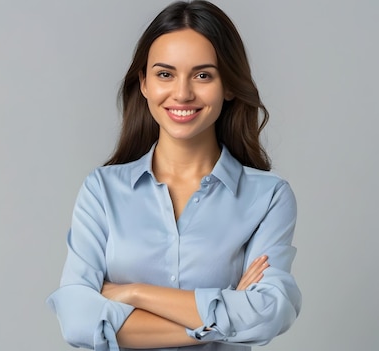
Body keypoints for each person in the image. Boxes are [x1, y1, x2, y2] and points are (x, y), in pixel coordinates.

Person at [46, 1, 301, 350]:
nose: (182, 93)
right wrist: (219, 321)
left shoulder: (268, 197)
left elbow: (268, 313)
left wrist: (135, 293)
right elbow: (77, 321)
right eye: (165, 74)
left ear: (228, 85)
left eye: (203, 75)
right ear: (145, 83)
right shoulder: (102, 190)